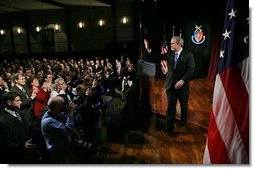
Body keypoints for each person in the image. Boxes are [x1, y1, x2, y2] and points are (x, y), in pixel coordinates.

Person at [159, 36, 195, 135]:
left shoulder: (188, 55)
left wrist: (182, 81)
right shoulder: (170, 53)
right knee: (170, 106)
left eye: (172, 43)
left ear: (178, 44)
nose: (170, 45)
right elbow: (159, 56)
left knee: (183, 105)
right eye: (170, 43)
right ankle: (169, 127)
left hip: (182, 86)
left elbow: (191, 70)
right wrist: (148, 49)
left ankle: (183, 121)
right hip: (170, 85)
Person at [0, 92, 37, 163]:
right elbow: (5, 144)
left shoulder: (19, 112)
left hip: (27, 153)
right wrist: (22, 146)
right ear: (9, 102)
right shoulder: (3, 121)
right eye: (17, 101)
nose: (21, 102)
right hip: (15, 157)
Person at [41, 95, 77, 163]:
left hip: (65, 148)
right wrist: (70, 114)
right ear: (56, 107)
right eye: (63, 105)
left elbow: (66, 120)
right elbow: (68, 130)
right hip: (57, 153)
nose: (65, 106)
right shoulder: (49, 122)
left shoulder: (56, 113)